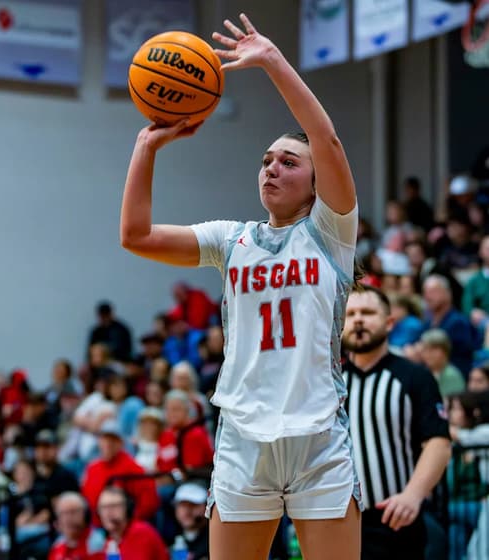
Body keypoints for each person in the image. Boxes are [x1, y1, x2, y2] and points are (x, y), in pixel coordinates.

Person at [119, 13, 360, 560]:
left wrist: (272, 60)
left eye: (289, 162)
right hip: (243, 438)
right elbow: (135, 235)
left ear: (316, 181)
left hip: (318, 438)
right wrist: (147, 145)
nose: (271, 168)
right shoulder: (231, 239)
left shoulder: (330, 233)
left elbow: (327, 139)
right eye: (266, 160)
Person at [342, 286, 451, 559]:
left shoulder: (414, 377)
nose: (358, 320)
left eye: (367, 313)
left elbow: (438, 443)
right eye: (350, 314)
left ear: (389, 323)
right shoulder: (329, 382)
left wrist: (413, 495)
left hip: (395, 519)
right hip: (339, 522)